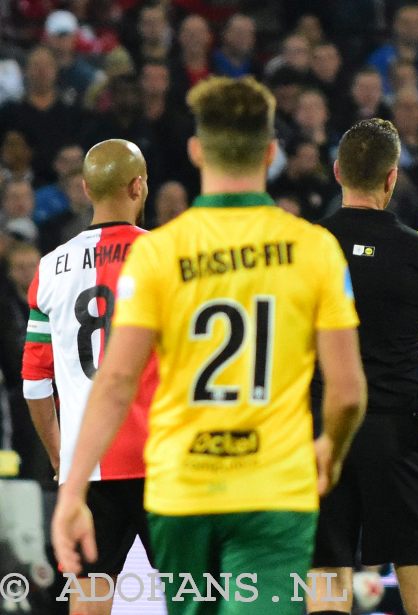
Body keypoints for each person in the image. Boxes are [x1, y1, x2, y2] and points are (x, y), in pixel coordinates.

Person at [51, 75, 367, 615]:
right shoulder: (314, 249)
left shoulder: (158, 254)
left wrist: (73, 488)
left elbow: (117, 381)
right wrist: (329, 452)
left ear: (197, 151)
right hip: (274, 487)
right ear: (270, 152)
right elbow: (347, 392)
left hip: (183, 488)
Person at [306, 118, 418, 615]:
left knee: (326, 588)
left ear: (338, 171)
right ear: (391, 179)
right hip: (397, 438)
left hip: (320, 433)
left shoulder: (304, 249)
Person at [22, 138, 157, 615]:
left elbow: (35, 383)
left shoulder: (50, 268)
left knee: (89, 598)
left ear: (85, 188)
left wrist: (63, 460)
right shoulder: (166, 257)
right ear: (138, 185)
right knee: (195, 598)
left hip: (89, 463)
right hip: (162, 461)